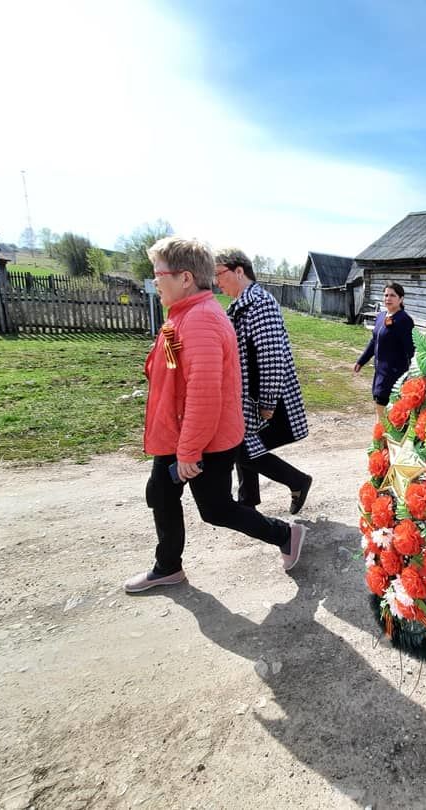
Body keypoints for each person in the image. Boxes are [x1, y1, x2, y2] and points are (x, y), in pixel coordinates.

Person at [123, 237, 306, 594]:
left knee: (217, 510)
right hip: (178, 432)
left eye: (160, 273)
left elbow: (203, 395)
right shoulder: (181, 318)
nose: (155, 280)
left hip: (201, 439)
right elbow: (177, 373)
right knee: (161, 493)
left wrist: (189, 451)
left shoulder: (202, 321)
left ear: (186, 277)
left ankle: (286, 534)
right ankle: (168, 567)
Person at [213, 249, 312, 514]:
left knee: (241, 448)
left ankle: (297, 481)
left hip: (260, 395)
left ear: (238, 271)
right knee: (243, 443)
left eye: (219, 273)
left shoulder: (260, 303)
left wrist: (268, 402)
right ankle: (248, 499)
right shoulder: (242, 304)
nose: (216, 281)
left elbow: (270, 358)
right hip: (247, 394)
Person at [354, 282, 415, 421]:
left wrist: (413, 374)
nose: (388, 298)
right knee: (379, 405)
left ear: (401, 299)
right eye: (386, 295)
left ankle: (381, 438)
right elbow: (374, 341)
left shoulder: (404, 320)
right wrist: (361, 361)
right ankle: (382, 438)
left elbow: (411, 349)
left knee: (384, 409)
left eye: (392, 295)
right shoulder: (381, 316)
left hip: (394, 373)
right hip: (379, 371)